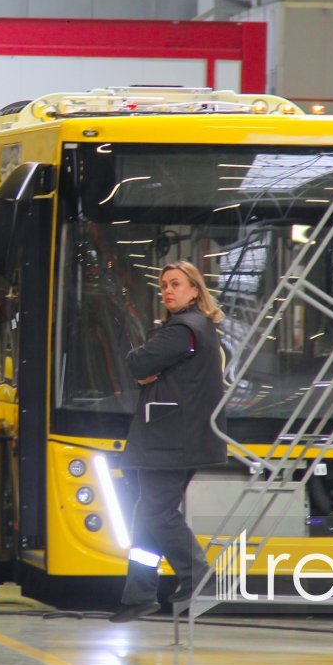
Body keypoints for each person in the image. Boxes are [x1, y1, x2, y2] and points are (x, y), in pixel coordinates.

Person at [110, 261, 224, 622]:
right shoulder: (196, 328)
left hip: (168, 440)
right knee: (147, 513)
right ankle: (139, 593)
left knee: (157, 512)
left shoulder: (183, 330)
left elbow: (136, 363)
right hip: (175, 438)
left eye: (176, 284)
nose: (168, 291)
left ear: (195, 290)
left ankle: (199, 576)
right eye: (163, 286)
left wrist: (145, 371)